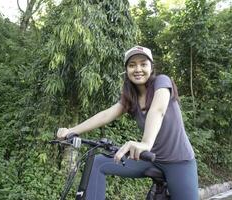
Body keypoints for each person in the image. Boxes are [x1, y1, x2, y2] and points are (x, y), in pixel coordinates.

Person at [57, 45, 199, 200]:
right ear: (127, 71)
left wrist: (145, 143)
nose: (138, 69)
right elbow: (106, 115)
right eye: (132, 65)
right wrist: (72, 130)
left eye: (143, 64)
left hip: (179, 161)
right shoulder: (130, 98)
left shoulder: (162, 82)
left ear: (151, 67)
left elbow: (158, 110)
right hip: (149, 159)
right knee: (98, 163)